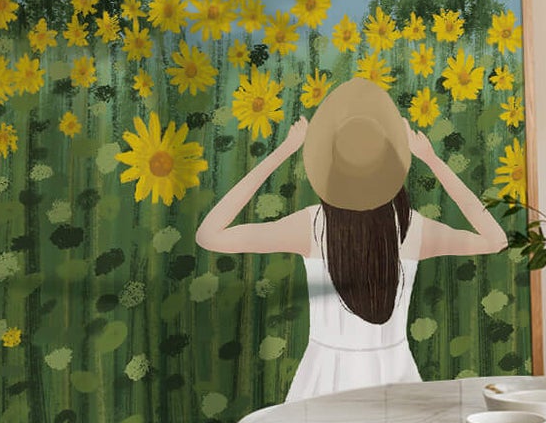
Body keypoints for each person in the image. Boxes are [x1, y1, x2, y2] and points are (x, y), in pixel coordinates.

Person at [195, 77, 508, 400]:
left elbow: (209, 234)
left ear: (329, 166)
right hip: (395, 374)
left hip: (322, 378)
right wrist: (432, 158)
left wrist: (283, 151)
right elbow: (494, 240)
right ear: (393, 167)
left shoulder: (312, 226)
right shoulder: (411, 228)